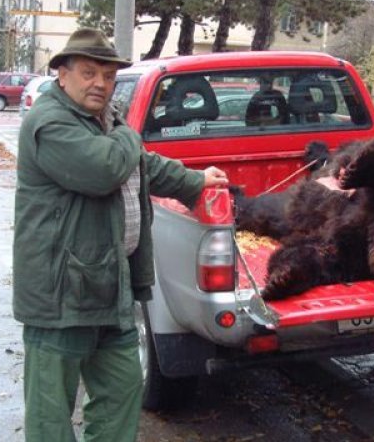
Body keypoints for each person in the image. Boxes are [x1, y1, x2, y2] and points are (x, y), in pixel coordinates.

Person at [12, 28, 228, 441]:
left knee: (123, 387)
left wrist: (197, 181)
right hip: (60, 294)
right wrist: (129, 133)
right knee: (51, 412)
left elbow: (141, 165)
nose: (101, 84)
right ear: (62, 73)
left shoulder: (103, 122)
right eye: (89, 73)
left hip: (110, 285)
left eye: (108, 77)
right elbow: (107, 168)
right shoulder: (49, 121)